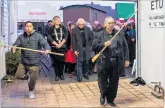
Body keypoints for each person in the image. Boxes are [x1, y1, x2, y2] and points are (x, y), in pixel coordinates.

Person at [92, 16, 129, 107]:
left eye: (113, 23)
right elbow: (94, 46)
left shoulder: (119, 33)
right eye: (109, 23)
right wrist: (103, 44)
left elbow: (125, 46)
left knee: (114, 82)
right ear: (105, 24)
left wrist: (127, 59)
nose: (111, 25)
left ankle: (111, 99)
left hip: (115, 62)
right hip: (103, 61)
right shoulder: (98, 34)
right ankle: (103, 95)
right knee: (102, 82)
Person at [13, 21, 50, 99]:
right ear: (25, 27)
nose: (28, 27)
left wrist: (47, 49)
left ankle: (31, 91)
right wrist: (14, 48)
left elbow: (45, 43)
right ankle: (27, 77)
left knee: (33, 78)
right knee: (18, 75)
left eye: (30, 26)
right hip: (24, 62)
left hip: (35, 62)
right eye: (27, 26)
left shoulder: (38, 36)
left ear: (33, 27)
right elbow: (16, 44)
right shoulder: (21, 37)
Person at [47, 16, 68, 81]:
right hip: (54, 48)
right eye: (56, 20)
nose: (58, 21)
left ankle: (61, 74)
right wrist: (56, 44)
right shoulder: (51, 28)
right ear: (54, 21)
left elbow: (66, 36)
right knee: (55, 62)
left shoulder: (63, 27)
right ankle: (57, 75)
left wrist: (61, 44)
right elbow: (49, 37)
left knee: (62, 62)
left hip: (62, 48)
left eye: (59, 19)